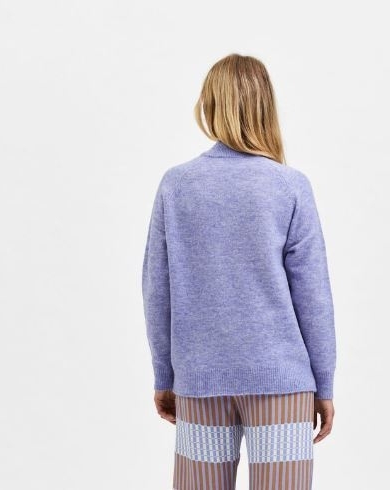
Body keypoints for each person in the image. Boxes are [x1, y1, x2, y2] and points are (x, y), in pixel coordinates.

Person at [142, 53, 337, 490]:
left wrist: (164, 375)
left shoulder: (177, 185)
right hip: (281, 383)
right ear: (265, 106)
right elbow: (314, 297)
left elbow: (157, 291)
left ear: (209, 105)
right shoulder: (289, 186)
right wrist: (323, 385)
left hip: (200, 379)